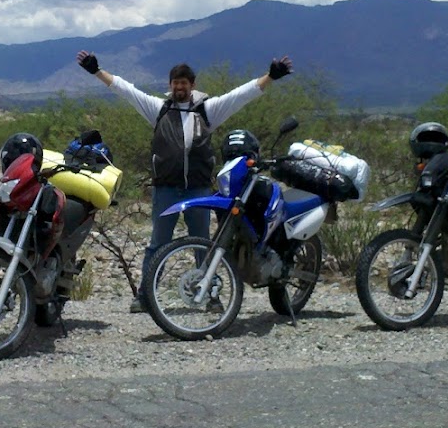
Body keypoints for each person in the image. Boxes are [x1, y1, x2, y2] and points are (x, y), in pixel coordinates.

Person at [76, 50, 293, 311]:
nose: (179, 87)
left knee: (202, 243)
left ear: (193, 85)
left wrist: (270, 77)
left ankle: (210, 294)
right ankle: (146, 295)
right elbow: (126, 90)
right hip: (166, 189)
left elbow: (240, 96)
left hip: (198, 189)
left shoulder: (207, 111)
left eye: (184, 83)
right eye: (175, 83)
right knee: (158, 244)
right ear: (170, 86)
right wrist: (97, 71)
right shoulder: (158, 110)